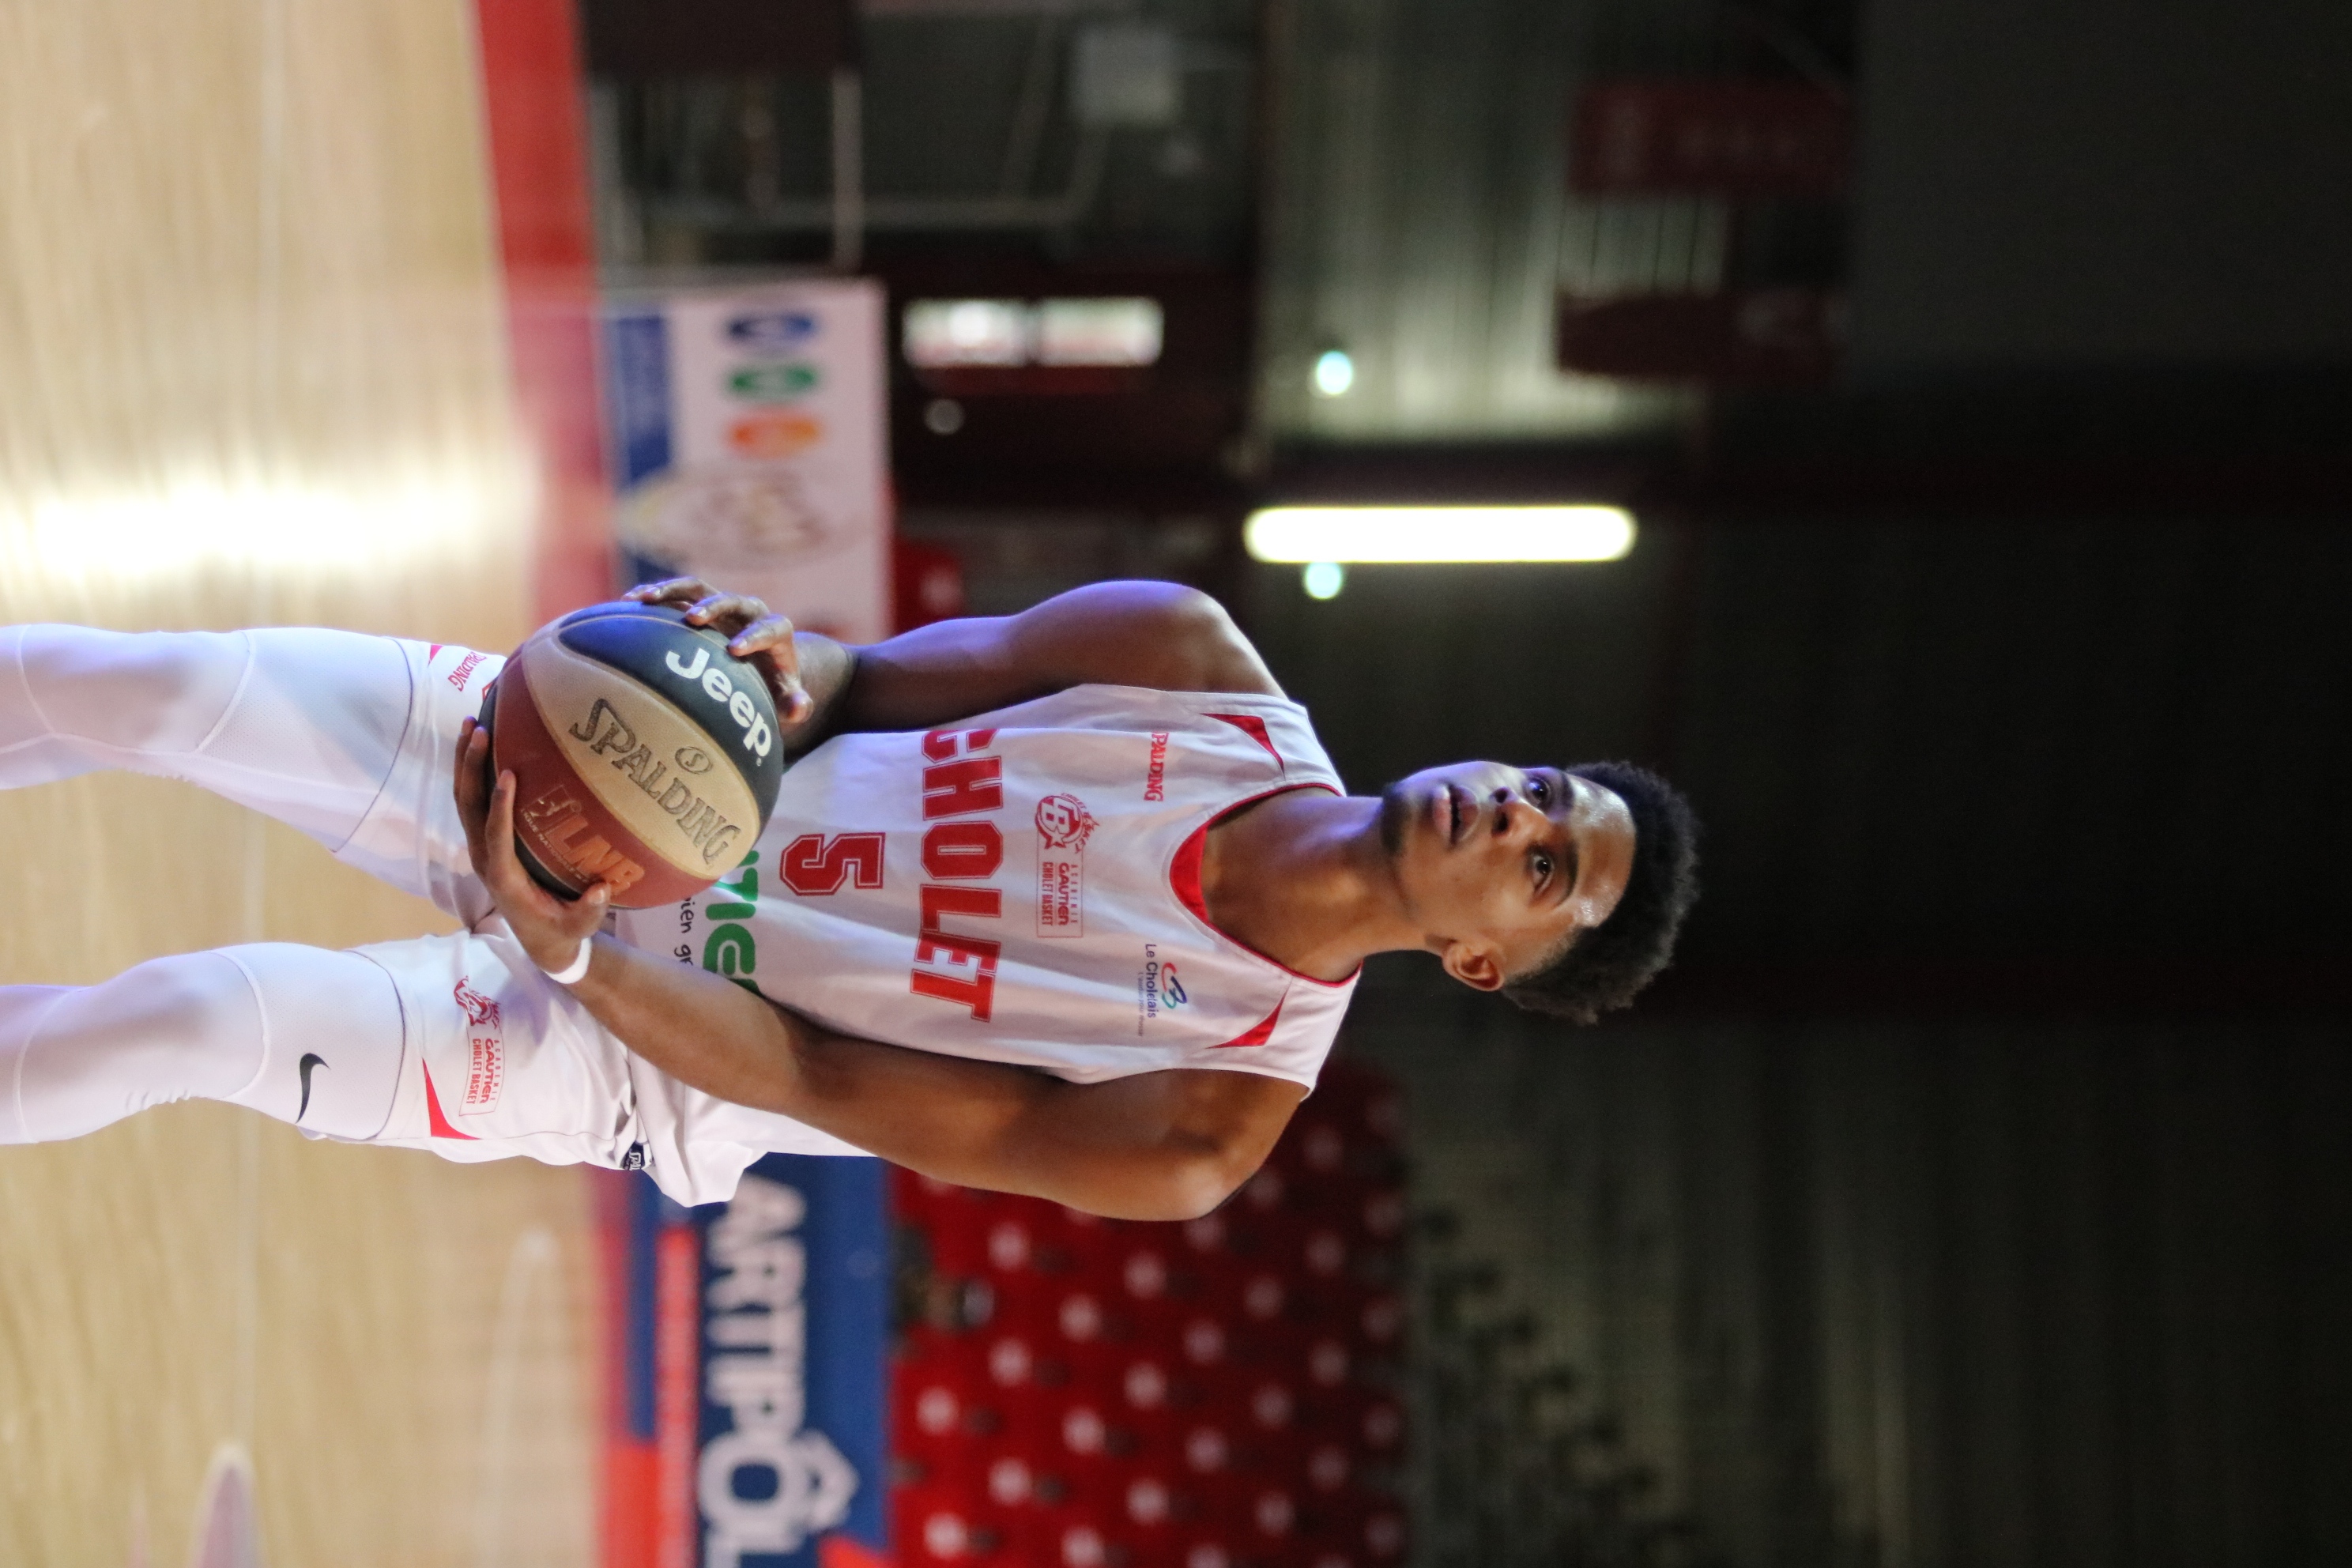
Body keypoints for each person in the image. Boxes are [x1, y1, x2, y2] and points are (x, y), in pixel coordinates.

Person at [0, 579, 1698, 1219]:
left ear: (1485, 956)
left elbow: (815, 1079)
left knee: (185, 1018)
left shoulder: (1200, 1117)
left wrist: (567, 938)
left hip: (643, 1047)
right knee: (132, 681)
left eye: (1548, 864)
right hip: (618, 788)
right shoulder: (1183, 664)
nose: (1516, 811)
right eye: (1551, 788)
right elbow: (858, 677)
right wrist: (746, 654)